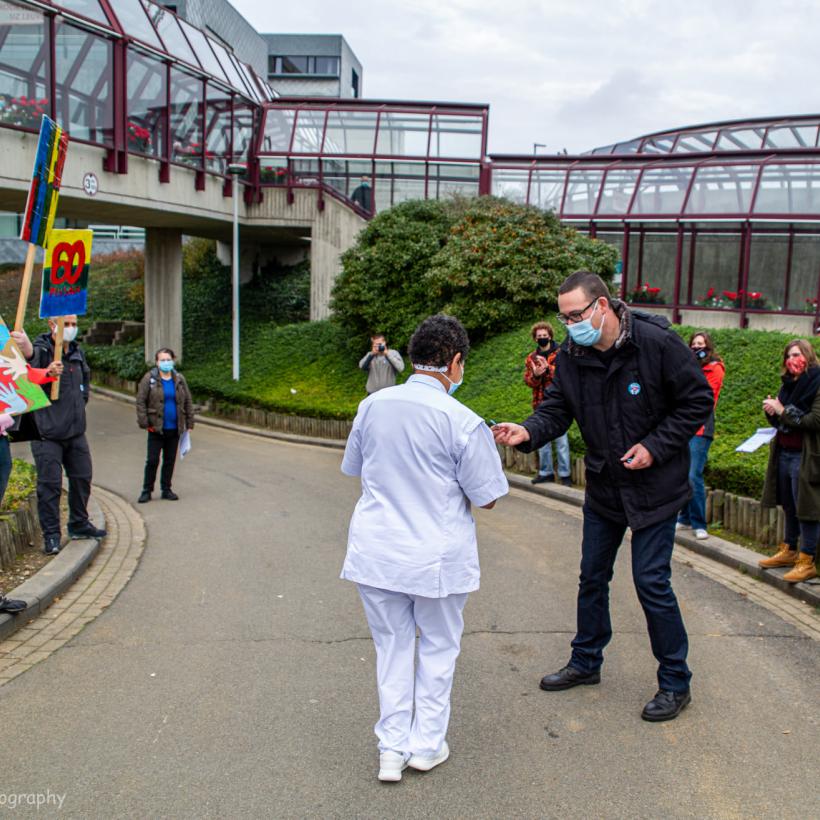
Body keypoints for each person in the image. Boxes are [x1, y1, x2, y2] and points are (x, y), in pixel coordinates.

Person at [493, 271, 713, 722]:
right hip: (605, 486)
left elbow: (696, 402)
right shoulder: (572, 354)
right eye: (564, 316)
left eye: (576, 314)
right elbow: (558, 407)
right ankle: (585, 661)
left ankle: (675, 681)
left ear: (603, 306)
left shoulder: (656, 344)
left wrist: (654, 447)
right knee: (592, 577)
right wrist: (527, 430)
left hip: (655, 489)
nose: (571, 324)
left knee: (652, 583)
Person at [341, 314, 508, 781]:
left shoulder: (372, 405)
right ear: (455, 362)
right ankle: (426, 745)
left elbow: (355, 466)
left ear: (412, 357)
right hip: (435, 556)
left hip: (377, 551)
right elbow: (487, 498)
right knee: (437, 648)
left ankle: (389, 750)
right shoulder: (463, 420)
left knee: (391, 647)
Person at [25, 315, 106, 555]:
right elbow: (30, 363)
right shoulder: (43, 350)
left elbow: (85, 385)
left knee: (82, 477)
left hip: (75, 432)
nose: (71, 328)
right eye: (66, 324)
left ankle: (79, 523)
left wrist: (79, 408)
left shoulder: (78, 354)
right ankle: (51, 536)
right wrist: (45, 369)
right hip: (47, 434)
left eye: (73, 323)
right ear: (52, 326)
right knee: (49, 487)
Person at [759, 339, 820, 583]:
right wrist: (773, 413)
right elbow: (784, 421)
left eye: (796, 354)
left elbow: (815, 421)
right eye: (788, 355)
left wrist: (782, 410)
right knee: (789, 504)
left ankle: (807, 561)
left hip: (805, 456)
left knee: (806, 508)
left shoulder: (817, 382)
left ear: (807, 355)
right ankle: (789, 550)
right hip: (784, 452)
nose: (792, 360)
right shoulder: (789, 384)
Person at [677, 332, 725, 540]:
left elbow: (703, 394)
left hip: (701, 427)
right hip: (683, 425)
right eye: (693, 344)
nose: (697, 347)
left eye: (701, 344)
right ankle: (685, 517)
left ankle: (699, 522)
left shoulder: (714, 368)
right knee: (682, 473)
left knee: (692, 475)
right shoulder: (687, 365)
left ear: (708, 346)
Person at [136, 348, 195, 503]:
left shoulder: (179, 379)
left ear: (173, 360)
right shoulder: (149, 379)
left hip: (174, 428)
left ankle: (166, 489)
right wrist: (144, 422)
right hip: (156, 428)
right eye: (162, 360)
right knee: (153, 460)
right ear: (157, 362)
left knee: (170, 460)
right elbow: (140, 401)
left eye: (168, 359)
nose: (166, 362)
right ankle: (146, 490)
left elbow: (188, 400)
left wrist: (189, 422)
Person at [524, 321, 571, 486]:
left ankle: (565, 475)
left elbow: (564, 376)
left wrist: (548, 369)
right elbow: (528, 381)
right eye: (539, 337)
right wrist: (536, 375)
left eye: (545, 336)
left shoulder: (560, 354)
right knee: (542, 441)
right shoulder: (531, 358)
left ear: (550, 336)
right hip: (540, 403)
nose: (542, 338)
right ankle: (546, 472)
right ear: (535, 339)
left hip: (558, 404)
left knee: (561, 442)